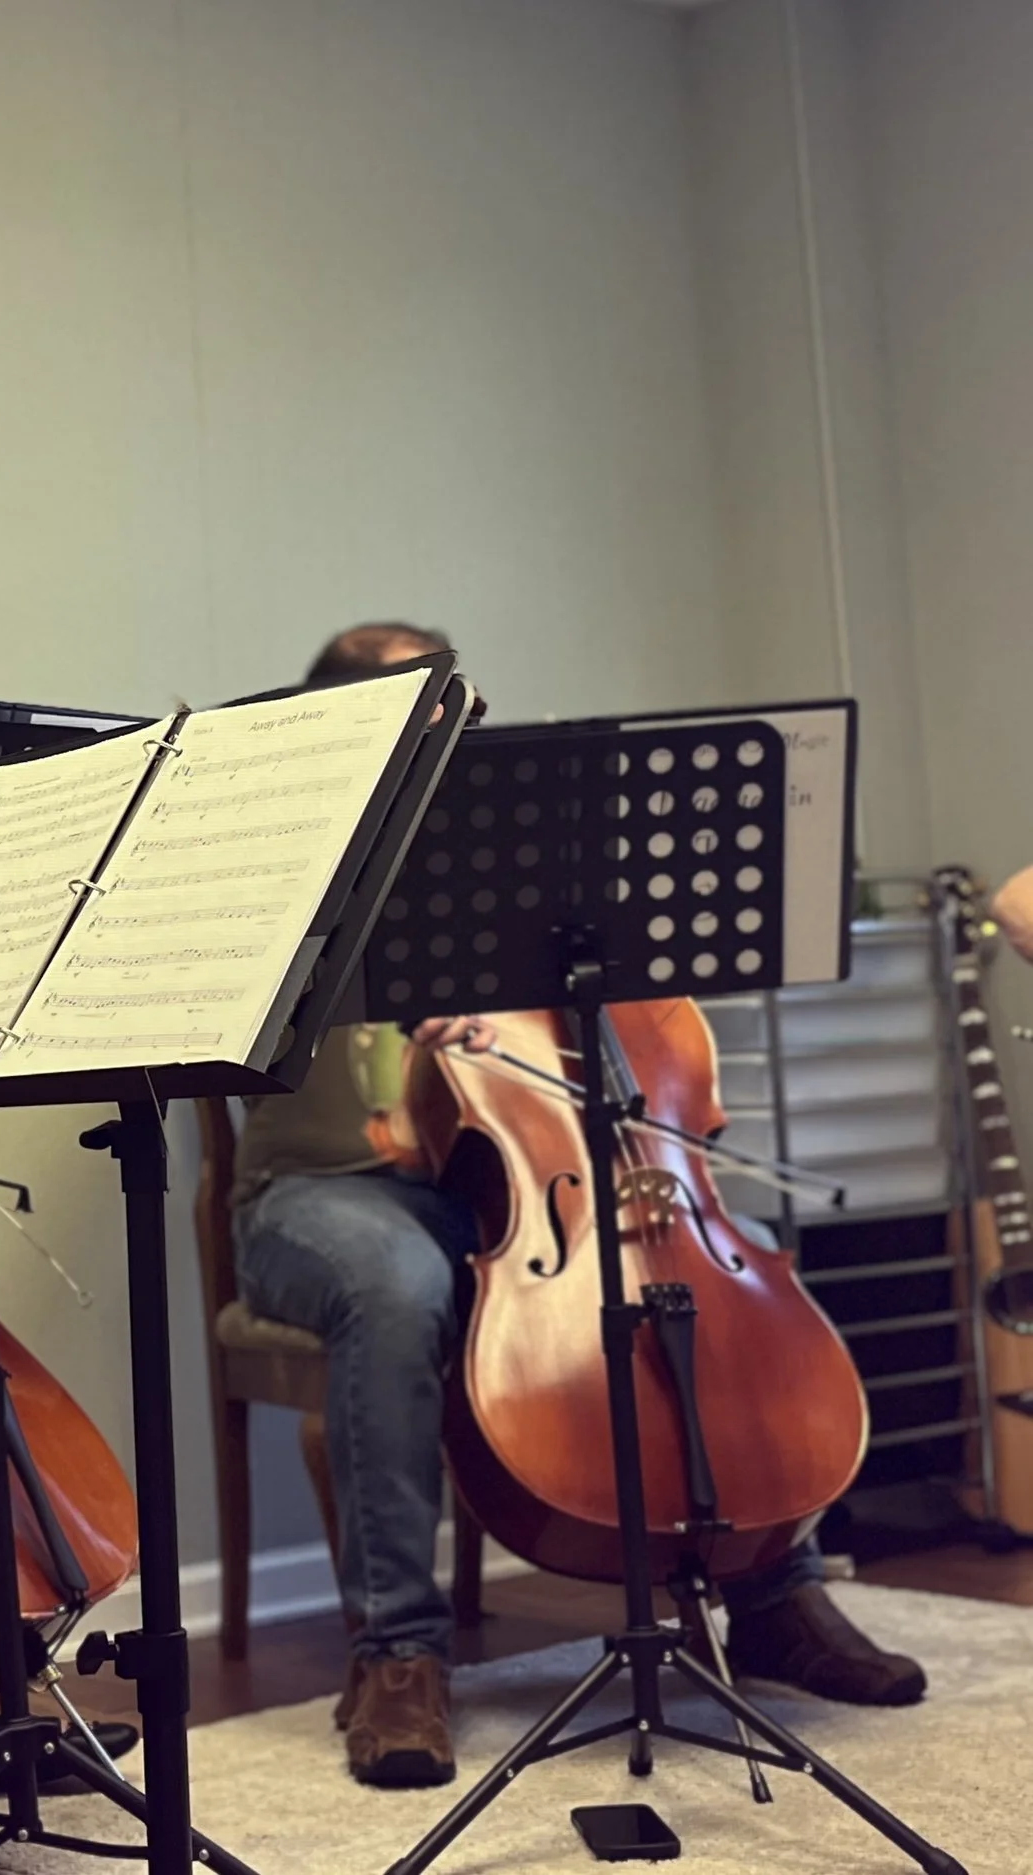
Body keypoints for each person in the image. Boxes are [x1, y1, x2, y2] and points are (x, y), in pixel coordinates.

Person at [232, 620, 927, 1791]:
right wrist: (412, 1053)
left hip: (529, 1183)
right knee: (395, 1292)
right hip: (328, 1195)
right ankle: (396, 1656)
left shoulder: (518, 855)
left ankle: (770, 1596)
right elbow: (327, 1089)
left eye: (451, 716)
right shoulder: (274, 873)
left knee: (682, 1281)